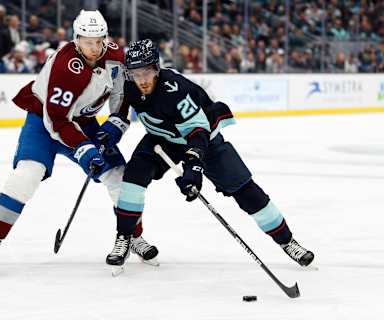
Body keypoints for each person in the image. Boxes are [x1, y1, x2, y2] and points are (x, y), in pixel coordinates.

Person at [103, 39, 315, 269]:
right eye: (136, 73)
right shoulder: (127, 83)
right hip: (162, 138)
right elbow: (120, 109)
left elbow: (198, 132)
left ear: (156, 68)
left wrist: (194, 167)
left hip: (205, 140)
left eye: (146, 72)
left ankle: (288, 241)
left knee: (245, 189)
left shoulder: (175, 89)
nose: (141, 80)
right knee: (134, 175)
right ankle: (124, 237)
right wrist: (109, 132)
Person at [0, 11, 157, 271]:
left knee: (118, 175)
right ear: (76, 39)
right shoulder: (64, 64)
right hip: (44, 122)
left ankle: (133, 237)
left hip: (83, 122)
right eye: (87, 41)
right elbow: (58, 120)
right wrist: (84, 149)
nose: (94, 48)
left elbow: (121, 96)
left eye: (98, 41)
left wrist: (115, 125)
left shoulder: (116, 57)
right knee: (27, 175)